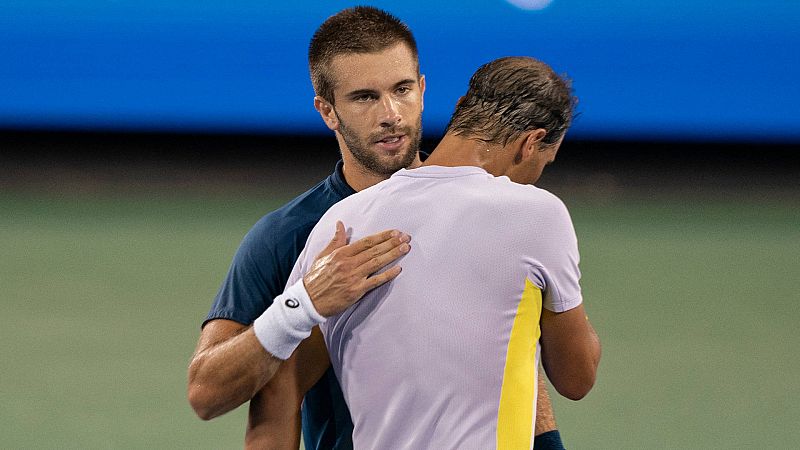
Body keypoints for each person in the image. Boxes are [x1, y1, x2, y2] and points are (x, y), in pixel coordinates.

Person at [188, 6, 566, 449]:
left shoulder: (498, 211)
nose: (391, 113)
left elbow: (512, 362)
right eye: (365, 97)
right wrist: (303, 303)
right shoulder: (288, 235)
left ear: (423, 89)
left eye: (402, 89)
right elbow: (206, 394)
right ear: (328, 111)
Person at [280, 56, 601, 448]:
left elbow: (281, 383)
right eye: (543, 163)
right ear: (531, 142)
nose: (537, 175)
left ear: (461, 106)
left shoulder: (341, 220)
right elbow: (576, 377)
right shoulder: (537, 212)